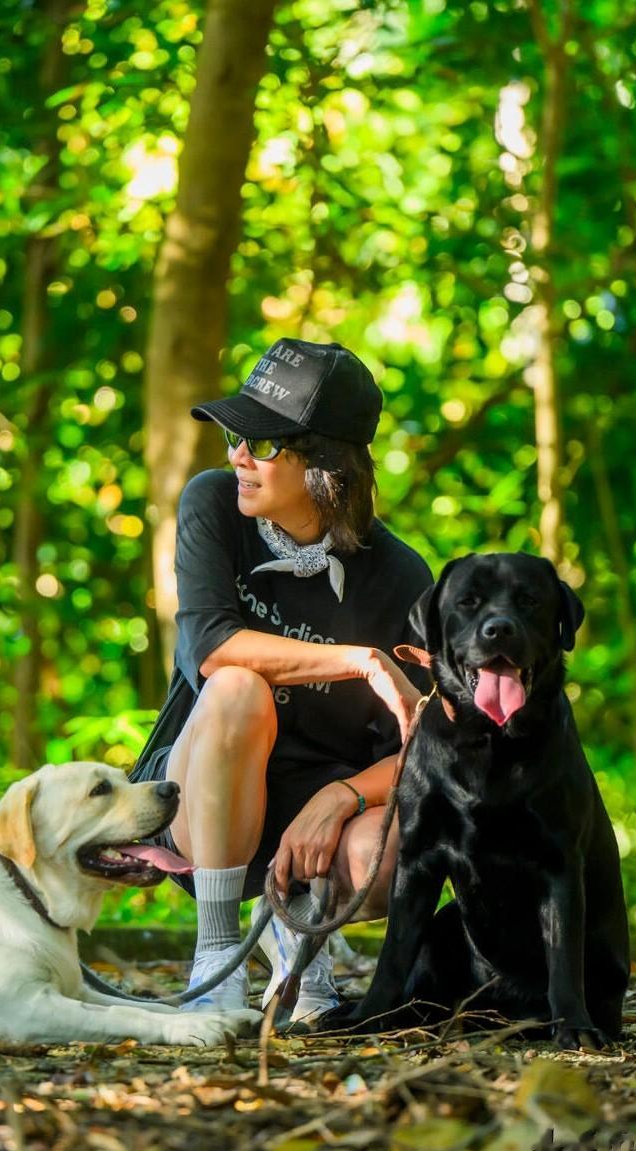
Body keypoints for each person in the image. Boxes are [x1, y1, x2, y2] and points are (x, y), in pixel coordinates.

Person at [130, 338, 433, 1024]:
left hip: (314, 823)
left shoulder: (400, 576)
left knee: (402, 843)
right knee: (239, 685)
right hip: (201, 785)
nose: (238, 455)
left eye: (262, 444)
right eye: (237, 436)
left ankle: (299, 930)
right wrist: (361, 659)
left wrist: (342, 794)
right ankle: (215, 957)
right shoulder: (213, 504)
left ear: (325, 466)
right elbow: (210, 648)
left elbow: (427, 741)